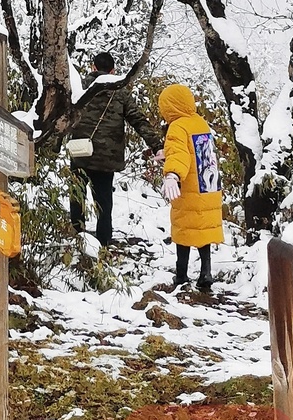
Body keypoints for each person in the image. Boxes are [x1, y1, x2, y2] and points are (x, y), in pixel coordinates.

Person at [67, 51, 161, 247]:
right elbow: (138, 119)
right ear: (113, 70)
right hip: (106, 157)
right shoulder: (120, 92)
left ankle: (76, 236)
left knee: (78, 195)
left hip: (79, 152)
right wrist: (156, 145)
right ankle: (103, 242)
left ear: (93, 67)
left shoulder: (80, 87)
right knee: (103, 200)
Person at [159, 84, 224, 290]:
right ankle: (206, 272)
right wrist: (167, 155)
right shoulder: (200, 123)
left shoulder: (177, 127)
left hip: (189, 187)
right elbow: (194, 152)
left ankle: (181, 275)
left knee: (184, 230)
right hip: (209, 185)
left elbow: (180, 155)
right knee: (203, 229)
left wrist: (172, 174)